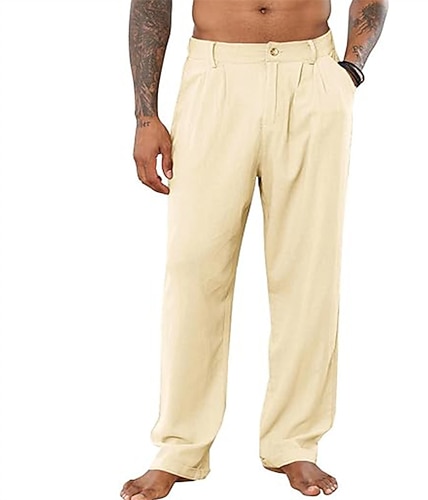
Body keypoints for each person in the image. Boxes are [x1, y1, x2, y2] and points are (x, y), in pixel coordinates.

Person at [121, 0, 388, 498]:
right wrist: (145, 116)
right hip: (216, 74)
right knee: (194, 271)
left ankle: (295, 442)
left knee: (308, 270)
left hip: (311, 73)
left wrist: (351, 67)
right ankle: (179, 447)